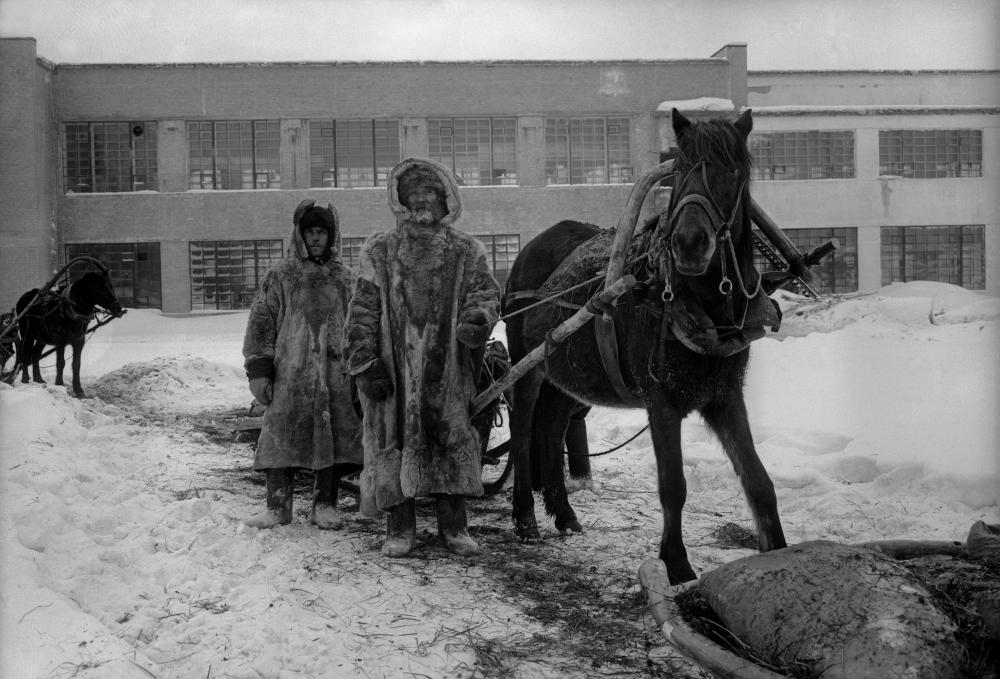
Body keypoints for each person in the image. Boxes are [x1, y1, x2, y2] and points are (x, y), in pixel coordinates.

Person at [344, 157, 501, 557]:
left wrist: (476, 320)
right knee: (392, 441)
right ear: (400, 200)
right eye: (413, 194)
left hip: (446, 370)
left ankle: (454, 526)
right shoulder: (380, 250)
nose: (422, 201)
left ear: (446, 199)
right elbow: (362, 309)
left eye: (430, 193)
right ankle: (400, 526)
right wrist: (364, 361)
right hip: (393, 374)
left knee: (450, 437)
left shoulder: (466, 251)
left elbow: (485, 293)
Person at [242, 199, 363, 529]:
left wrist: (359, 368)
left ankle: (324, 504)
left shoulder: (346, 278)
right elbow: (262, 323)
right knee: (282, 438)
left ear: (332, 235)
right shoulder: (282, 275)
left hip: (336, 378)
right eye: (309, 231)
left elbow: (361, 326)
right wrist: (259, 370)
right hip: (290, 376)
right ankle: (278, 505)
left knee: (332, 440)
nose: (315, 238)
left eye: (322, 231)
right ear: (299, 234)